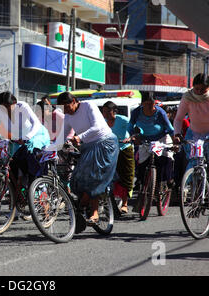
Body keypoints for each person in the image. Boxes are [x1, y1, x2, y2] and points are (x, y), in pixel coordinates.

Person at [56, 92, 119, 225]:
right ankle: (83, 207)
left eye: (67, 107)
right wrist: (46, 149)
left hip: (105, 143)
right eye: (63, 109)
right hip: (88, 147)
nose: (66, 111)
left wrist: (80, 137)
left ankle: (93, 213)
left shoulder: (88, 105)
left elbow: (97, 127)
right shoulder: (68, 116)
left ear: (74, 101)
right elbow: (62, 137)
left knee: (94, 178)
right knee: (78, 179)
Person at [0, 92, 51, 193]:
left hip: (36, 135)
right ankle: (16, 193)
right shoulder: (0, 111)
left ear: (15, 103)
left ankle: (38, 187)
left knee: (30, 155)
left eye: (8, 107)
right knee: (13, 163)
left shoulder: (23, 106)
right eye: (3, 107)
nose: (6, 110)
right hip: (18, 140)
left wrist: (27, 137)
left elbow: (35, 123)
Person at [127, 92, 175, 210]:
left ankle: (168, 180)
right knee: (141, 165)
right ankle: (144, 188)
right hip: (145, 140)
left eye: (152, 104)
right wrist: (132, 136)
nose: (150, 106)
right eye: (147, 104)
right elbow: (130, 126)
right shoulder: (136, 112)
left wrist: (175, 142)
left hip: (161, 138)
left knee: (166, 157)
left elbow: (170, 129)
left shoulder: (160, 112)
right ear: (142, 103)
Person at [102, 101, 134, 214]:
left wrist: (131, 138)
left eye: (107, 111)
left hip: (125, 149)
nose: (105, 113)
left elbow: (134, 128)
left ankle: (125, 203)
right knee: (108, 175)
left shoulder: (122, 119)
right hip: (110, 150)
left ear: (114, 111)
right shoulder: (103, 122)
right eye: (103, 111)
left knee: (126, 176)